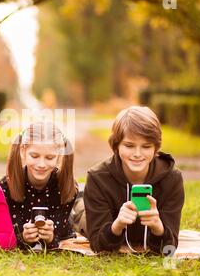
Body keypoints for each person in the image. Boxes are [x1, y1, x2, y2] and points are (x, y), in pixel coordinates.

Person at [75, 106, 185, 254]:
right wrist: (117, 226)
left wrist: (159, 228)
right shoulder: (97, 178)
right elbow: (98, 245)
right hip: (90, 215)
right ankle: (77, 198)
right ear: (116, 145)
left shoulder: (172, 179)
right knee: (79, 213)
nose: (137, 154)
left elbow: (169, 247)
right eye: (129, 145)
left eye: (146, 146)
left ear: (155, 148)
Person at [0, 122, 78, 250]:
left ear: (58, 155)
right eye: (34, 156)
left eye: (49, 157)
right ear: (23, 151)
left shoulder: (67, 186)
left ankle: (78, 208)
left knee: (80, 215)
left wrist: (51, 237)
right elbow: (6, 235)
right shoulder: (5, 187)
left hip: (70, 219)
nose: (41, 164)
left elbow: (60, 235)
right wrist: (23, 238)